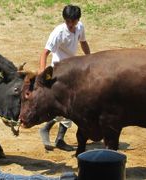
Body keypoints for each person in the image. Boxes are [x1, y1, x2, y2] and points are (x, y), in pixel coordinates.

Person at [38, 4, 90, 151]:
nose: (70, 24)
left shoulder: (80, 28)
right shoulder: (58, 32)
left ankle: (59, 138)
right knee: (66, 106)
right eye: (67, 21)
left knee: (72, 105)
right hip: (59, 72)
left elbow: (84, 42)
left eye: (72, 21)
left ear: (77, 20)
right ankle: (48, 129)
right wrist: (42, 72)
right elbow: (44, 53)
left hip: (72, 70)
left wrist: (91, 59)